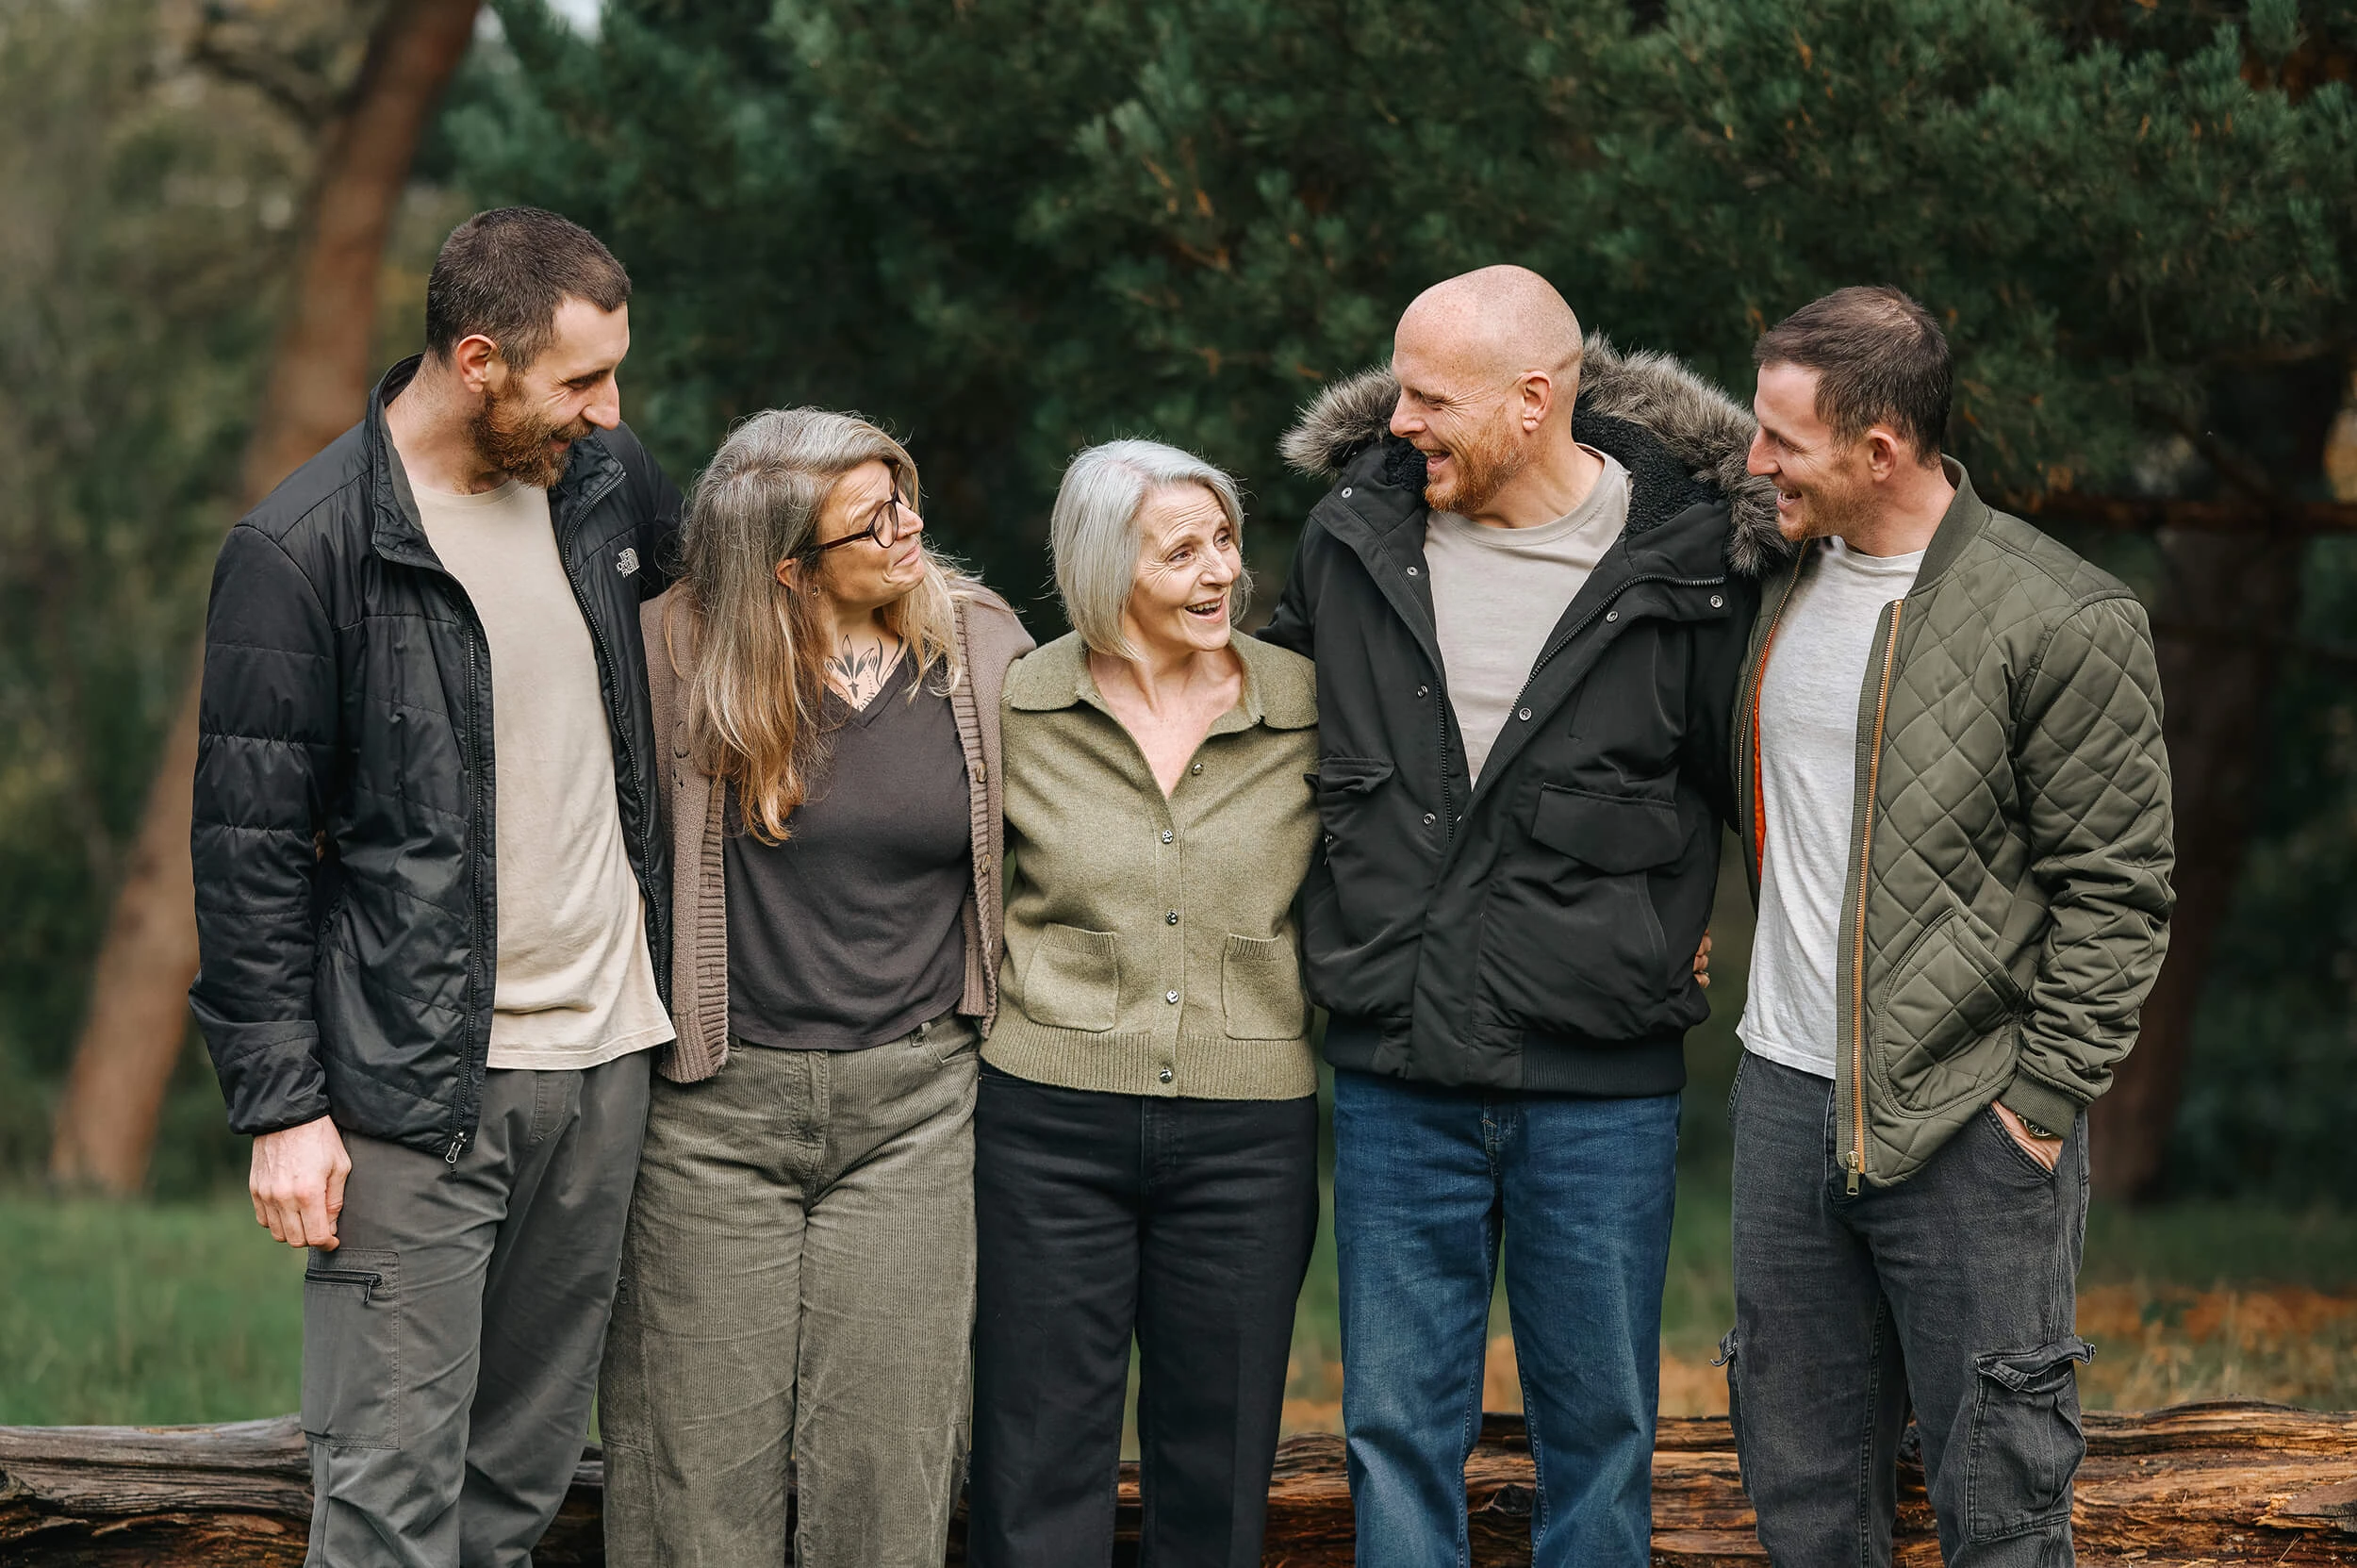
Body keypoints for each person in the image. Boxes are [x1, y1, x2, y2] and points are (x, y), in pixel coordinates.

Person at [1261, 265, 1779, 1567]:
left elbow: (1764, 789)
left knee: (1600, 1430)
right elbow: (1256, 741)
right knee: (1393, 1429)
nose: (1398, 422)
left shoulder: (1695, 561)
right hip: (1396, 1072)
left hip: (1601, 1086)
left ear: (1536, 398)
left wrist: (1682, 929)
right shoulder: (1351, 537)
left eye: (1432, 396)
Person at [189, 206, 679, 1566]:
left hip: (609, 1063)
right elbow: (247, 852)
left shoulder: (605, 485)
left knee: (514, 1494)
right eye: (581, 380)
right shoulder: (303, 549)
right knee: (390, 1504)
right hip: (417, 1091)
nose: (612, 408)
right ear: (478, 359)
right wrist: (282, 1104)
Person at [1723, 287, 2173, 1566]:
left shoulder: (2062, 616)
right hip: (1782, 1103)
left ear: (1881, 449)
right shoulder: (1776, 577)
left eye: (1780, 439)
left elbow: (2120, 888)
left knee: (2002, 1506)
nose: (1753, 462)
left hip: (1970, 1122)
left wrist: (2037, 1103)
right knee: (1805, 1503)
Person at [595, 409, 1032, 1568]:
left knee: (887, 1470)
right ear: (787, 566)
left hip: (914, 1111)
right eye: (874, 520)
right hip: (711, 1116)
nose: (912, 529)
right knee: (692, 1472)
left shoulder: (980, 645)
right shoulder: (665, 653)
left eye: (905, 497)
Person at [966, 440, 1321, 1568]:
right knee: (1035, 1453)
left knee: (1217, 1467)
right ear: (1105, 568)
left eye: (1224, 541)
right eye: (1181, 552)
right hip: (1046, 1125)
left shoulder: (1305, 703)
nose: (1221, 571)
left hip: (1248, 1132)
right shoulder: (1015, 701)